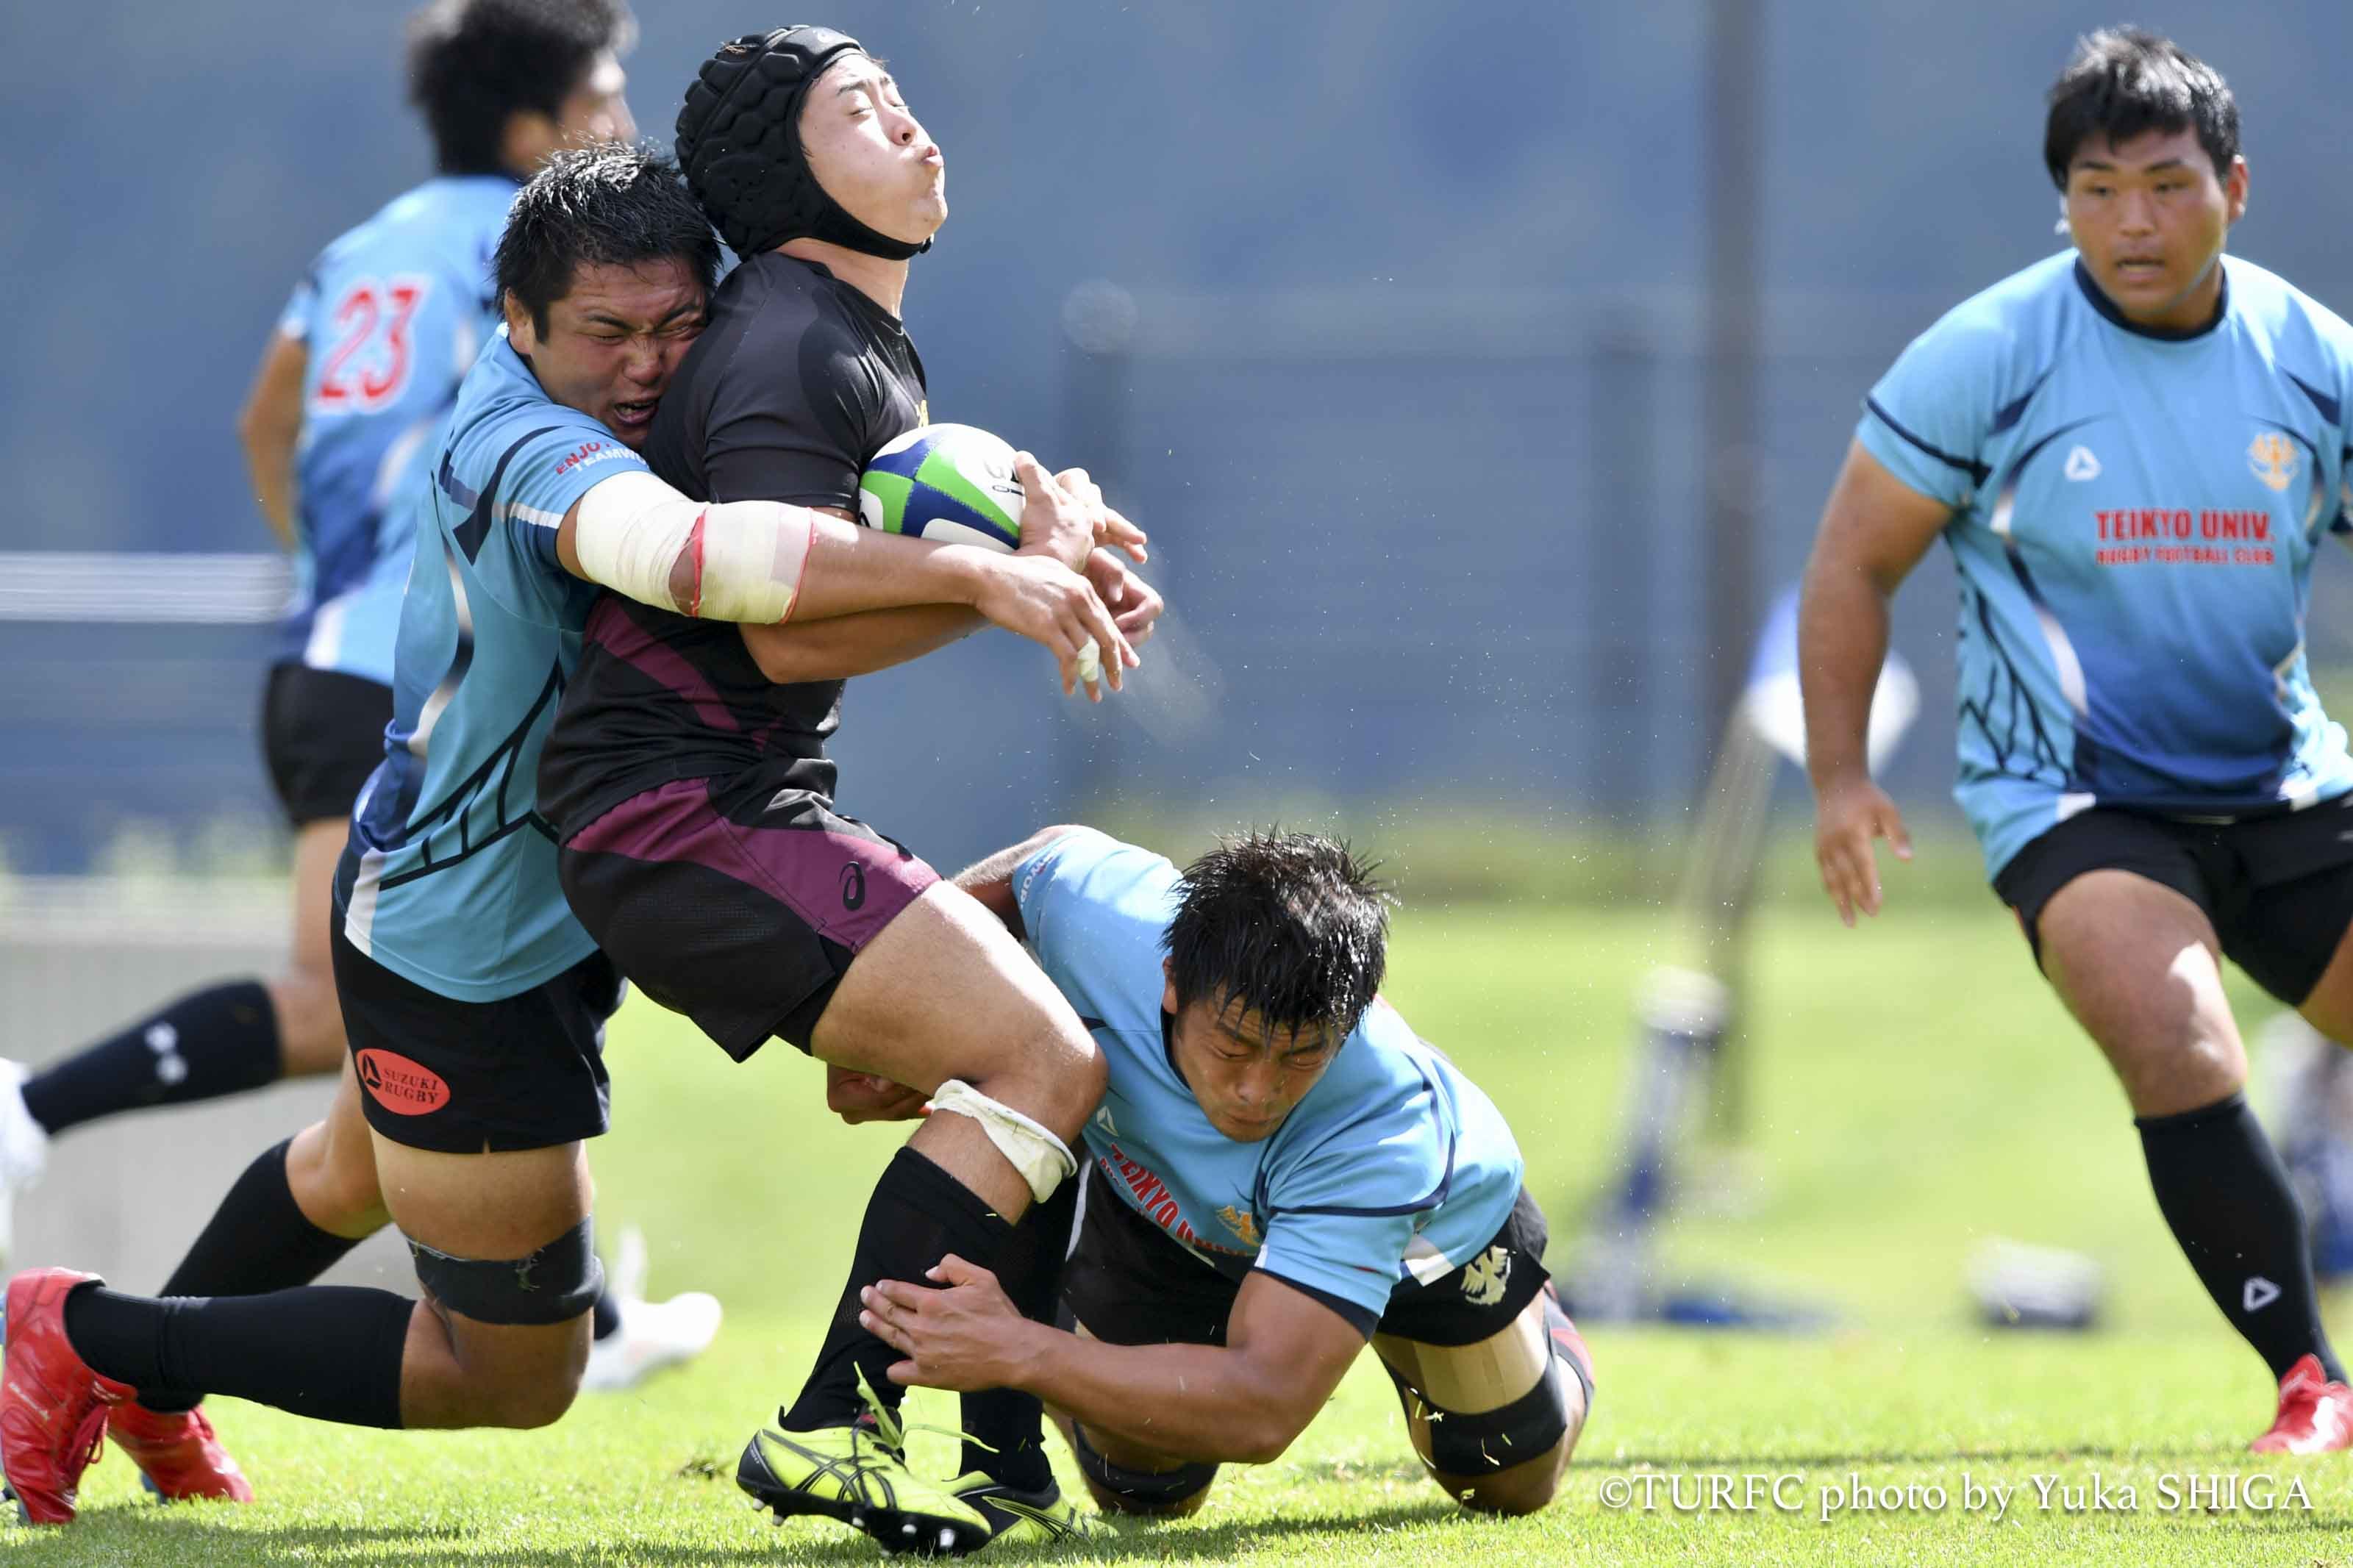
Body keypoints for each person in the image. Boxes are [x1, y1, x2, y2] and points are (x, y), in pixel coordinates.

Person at [0, 143, 1128, 1529]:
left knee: (348, 1167)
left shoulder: (630, 396)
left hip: (513, 903)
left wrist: (1022, 499)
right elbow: (703, 563)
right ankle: (83, 1332)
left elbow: (852, 483)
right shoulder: (525, 446)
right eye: (605, 333)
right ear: (518, 323)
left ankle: (141, 1390)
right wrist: (977, 570)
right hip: (463, 940)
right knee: (513, 1368)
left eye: (676, 326)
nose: (647, 364)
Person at [0, 0, 713, 1409]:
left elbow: (272, 415)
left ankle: (147, 1374)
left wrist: (326, 562)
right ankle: (35, 1130)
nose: (623, 120)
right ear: (535, 129)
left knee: (361, 1124)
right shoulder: (543, 258)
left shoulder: (363, 244)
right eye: (606, 94)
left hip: (330, 650)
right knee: (371, 1001)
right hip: (416, 679)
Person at [533, 27, 1163, 1553]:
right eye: (866, 112)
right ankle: (832, 1426)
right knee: (1046, 1062)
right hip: (679, 812)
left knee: (1007, 1058)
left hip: (737, 801)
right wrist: (1003, 587)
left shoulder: (843, 336)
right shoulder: (787, 343)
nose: (915, 130)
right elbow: (777, 615)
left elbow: (883, 568)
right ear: (786, 169)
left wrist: (1039, 568)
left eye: (903, 99)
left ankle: (999, 1460)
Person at [1800, 27, 2353, 1453]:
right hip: (2075, 799)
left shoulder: (2313, 363)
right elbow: (1851, 563)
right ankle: (2310, 1380)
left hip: (2291, 789)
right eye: (2096, 189)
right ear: (2061, 205)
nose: (2132, 223)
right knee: (2175, 1030)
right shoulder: (1988, 357)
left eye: (2166, 185)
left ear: (2234, 185)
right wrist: (1844, 776)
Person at [854, 826, 1594, 1517]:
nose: (1256, 1091)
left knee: (1502, 1480)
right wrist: (881, 1004)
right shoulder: (1101, 921)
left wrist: (1022, 1351)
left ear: (1355, 1013)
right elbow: (1045, 859)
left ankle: (1547, 1336)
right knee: (1142, 1489)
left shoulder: (1381, 1131)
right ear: (1171, 980)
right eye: (1233, 1047)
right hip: (1169, 1212)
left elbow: (1265, 1406)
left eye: (1301, 1054)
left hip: (1422, 1239)